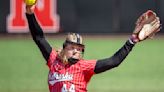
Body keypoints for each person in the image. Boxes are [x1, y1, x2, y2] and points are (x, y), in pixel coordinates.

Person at [25, 3, 161, 92]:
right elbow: (39, 38)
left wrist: (132, 40)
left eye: (79, 49)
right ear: (65, 48)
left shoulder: (84, 67)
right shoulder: (53, 59)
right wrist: (30, 13)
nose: (76, 51)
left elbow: (114, 61)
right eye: (73, 47)